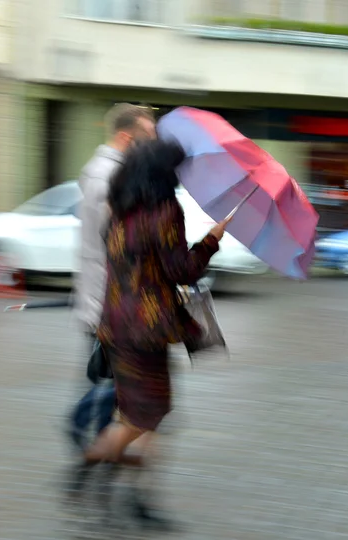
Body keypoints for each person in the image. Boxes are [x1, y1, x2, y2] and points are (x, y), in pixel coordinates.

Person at [73, 139, 231, 526]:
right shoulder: (165, 210)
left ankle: (134, 496)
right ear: (165, 173)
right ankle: (90, 466)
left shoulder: (118, 208)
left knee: (138, 414)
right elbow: (181, 271)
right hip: (147, 329)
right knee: (147, 415)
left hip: (116, 323)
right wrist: (211, 241)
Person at [74, 103, 156, 355]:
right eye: (147, 140)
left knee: (115, 389)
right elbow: (118, 241)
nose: (152, 146)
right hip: (111, 309)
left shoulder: (118, 173)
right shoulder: (106, 177)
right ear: (125, 137)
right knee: (111, 391)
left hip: (120, 305)